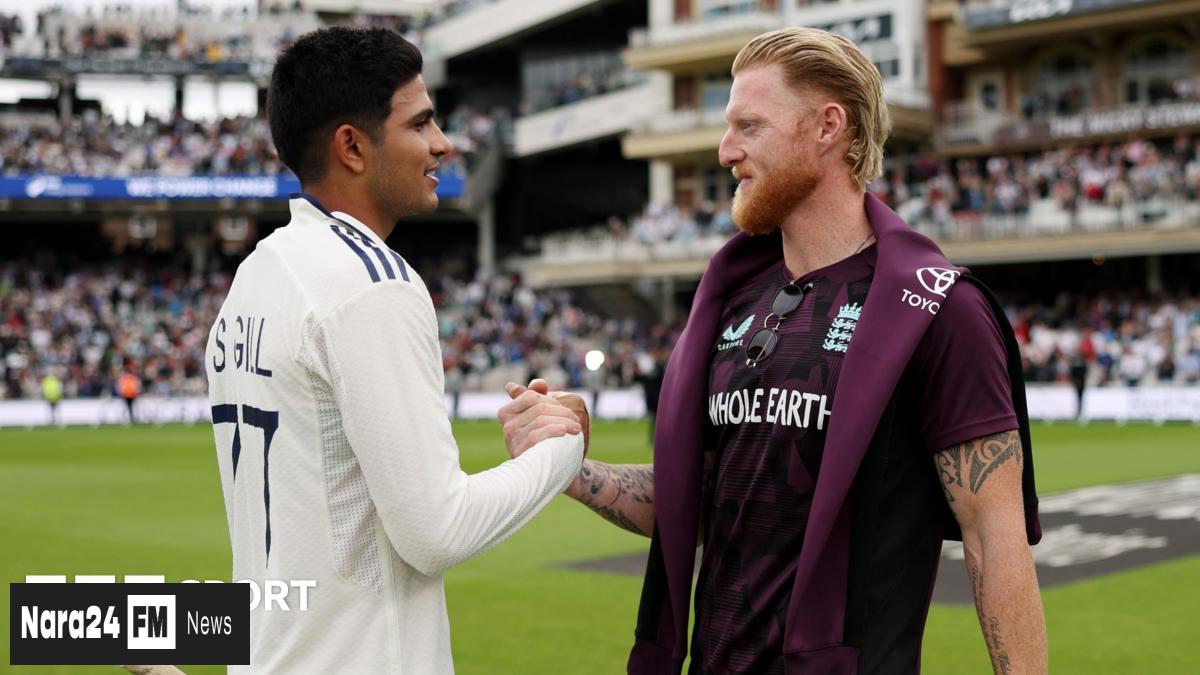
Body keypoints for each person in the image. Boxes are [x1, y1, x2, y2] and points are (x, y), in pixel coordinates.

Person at [503, 28, 1045, 675]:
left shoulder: (937, 309)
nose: (726, 150)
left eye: (748, 126)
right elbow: (697, 501)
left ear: (827, 127)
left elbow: (994, 538)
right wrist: (569, 466)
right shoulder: (732, 301)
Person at [205, 27, 584, 674]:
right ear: (352, 146)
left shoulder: (256, 277)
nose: (443, 143)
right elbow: (436, 529)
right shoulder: (371, 283)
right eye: (421, 124)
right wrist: (563, 443)